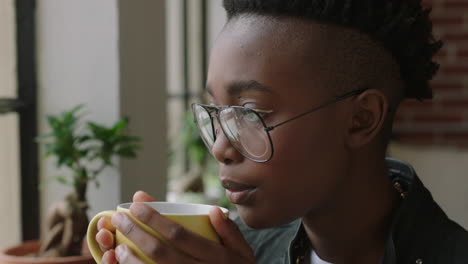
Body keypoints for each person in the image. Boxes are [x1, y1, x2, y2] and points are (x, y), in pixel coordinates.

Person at [95, 0, 468, 263]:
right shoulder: (233, 250)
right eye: (217, 112)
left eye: (250, 113)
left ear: (361, 119)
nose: (222, 148)